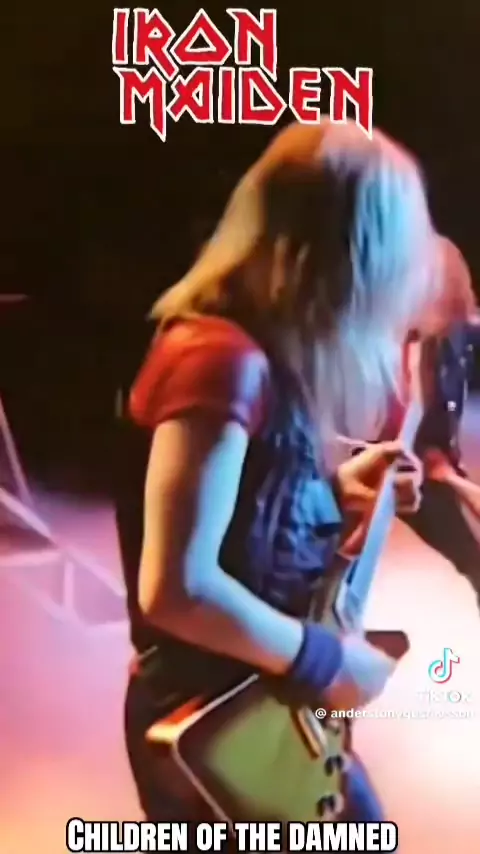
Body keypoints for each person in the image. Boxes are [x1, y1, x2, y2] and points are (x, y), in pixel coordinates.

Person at [115, 121, 436, 827]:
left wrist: (334, 493)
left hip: (256, 694)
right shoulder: (217, 359)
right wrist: (327, 662)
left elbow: (244, 518)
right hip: (214, 714)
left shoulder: (260, 349)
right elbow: (177, 588)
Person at [401, 238, 480, 601]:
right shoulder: (400, 353)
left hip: (435, 467)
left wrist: (451, 477)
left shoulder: (456, 334)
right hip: (412, 472)